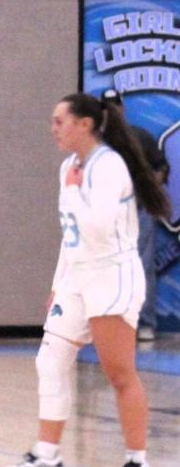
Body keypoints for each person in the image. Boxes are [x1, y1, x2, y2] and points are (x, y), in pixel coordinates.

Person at [0, 92, 170, 467]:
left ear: (85, 125)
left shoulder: (110, 167)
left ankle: (137, 462)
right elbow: (71, 234)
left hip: (112, 276)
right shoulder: (69, 167)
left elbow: (97, 225)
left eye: (60, 121)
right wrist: (59, 282)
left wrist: (75, 192)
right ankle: (46, 455)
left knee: (119, 373)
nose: (53, 128)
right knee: (49, 360)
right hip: (78, 277)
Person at [99, 88, 169, 343]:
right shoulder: (98, 143)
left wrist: (147, 189)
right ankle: (108, 324)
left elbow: (161, 168)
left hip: (138, 210)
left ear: (122, 108)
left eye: (115, 106)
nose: (112, 112)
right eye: (107, 108)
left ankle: (145, 322)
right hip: (106, 213)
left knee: (142, 265)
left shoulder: (140, 136)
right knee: (104, 267)